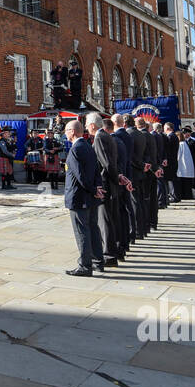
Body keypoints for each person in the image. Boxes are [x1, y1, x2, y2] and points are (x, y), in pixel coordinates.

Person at [63, 117, 104, 277]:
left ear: (72, 132)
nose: (65, 134)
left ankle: (85, 266)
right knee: (93, 229)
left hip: (79, 197)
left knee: (82, 232)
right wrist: (97, 188)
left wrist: (93, 189)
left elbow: (79, 176)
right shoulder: (88, 146)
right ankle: (98, 262)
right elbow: (96, 169)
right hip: (91, 196)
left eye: (66, 130)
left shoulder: (75, 149)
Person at [91, 113, 128, 267]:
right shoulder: (108, 137)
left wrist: (115, 179)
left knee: (105, 221)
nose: (87, 128)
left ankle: (109, 255)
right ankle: (114, 252)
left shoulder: (100, 137)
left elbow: (106, 163)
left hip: (106, 184)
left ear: (93, 125)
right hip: (111, 183)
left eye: (87, 125)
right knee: (111, 220)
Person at [175, 126, 195, 200]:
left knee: (184, 183)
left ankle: (184, 196)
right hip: (187, 168)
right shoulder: (185, 143)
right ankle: (188, 196)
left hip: (182, 168)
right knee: (188, 184)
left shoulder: (180, 144)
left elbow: (178, 156)